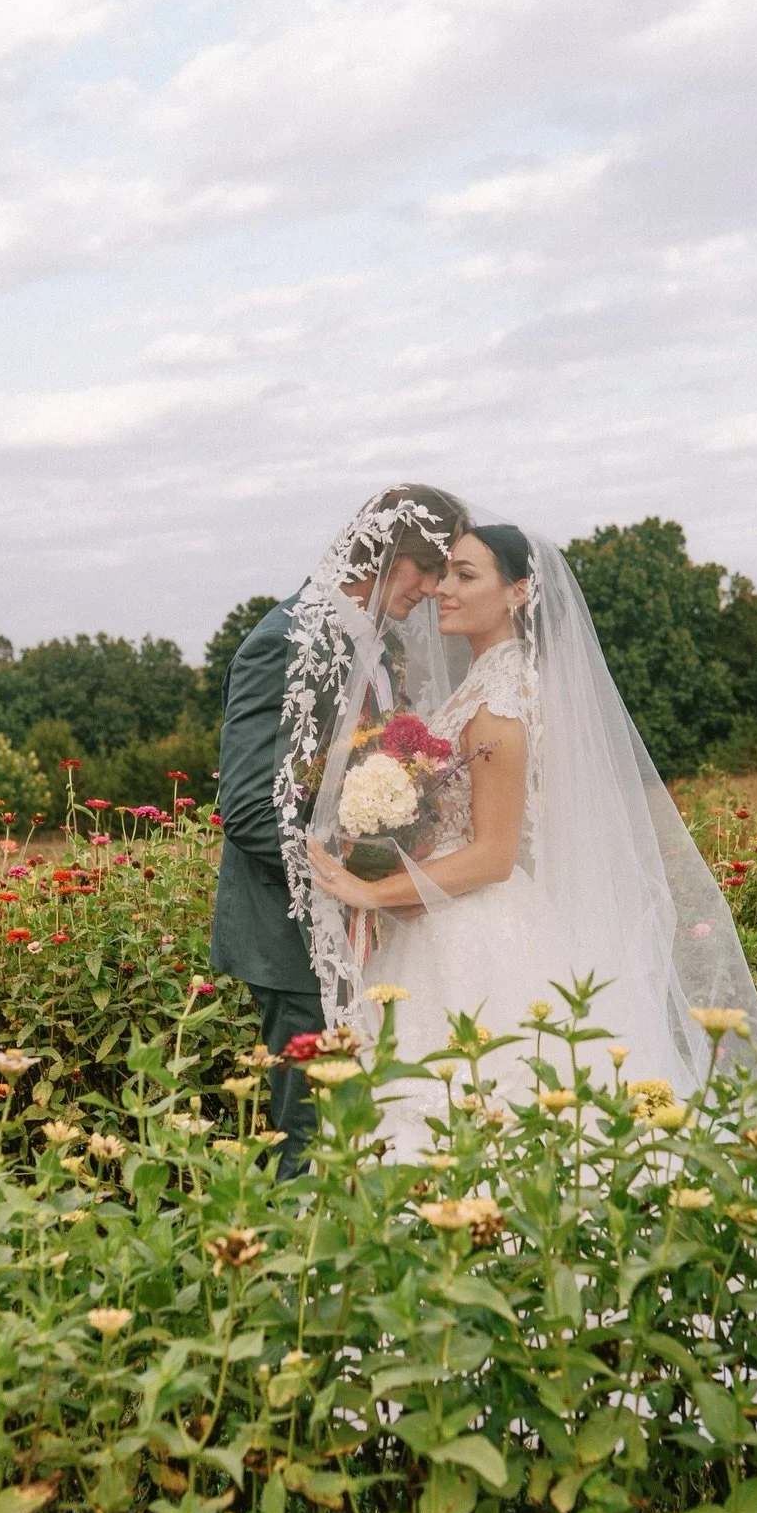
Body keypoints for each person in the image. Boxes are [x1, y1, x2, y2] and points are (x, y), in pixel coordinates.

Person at [306, 522, 757, 1160]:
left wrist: (370, 889)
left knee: (475, 1110)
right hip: (440, 916)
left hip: (472, 929)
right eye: (444, 573)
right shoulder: (483, 683)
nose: (443, 588)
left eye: (466, 576)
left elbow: (495, 855)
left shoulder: (499, 700)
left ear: (520, 592)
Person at [209, 484, 472, 1175]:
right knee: (311, 1138)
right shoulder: (285, 641)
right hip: (295, 935)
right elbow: (246, 806)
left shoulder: (373, 645)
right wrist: (346, 882)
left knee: (355, 1132)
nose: (432, 586)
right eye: (424, 566)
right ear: (382, 553)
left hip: (356, 922)